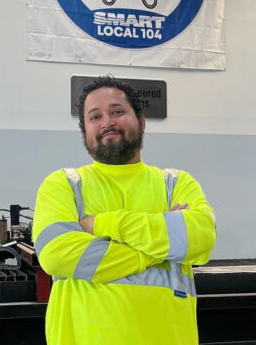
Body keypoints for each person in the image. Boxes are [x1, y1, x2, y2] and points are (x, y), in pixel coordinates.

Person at [32, 76, 216, 344]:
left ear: (140, 122)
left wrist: (101, 224)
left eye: (117, 111)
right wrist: (161, 245)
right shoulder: (65, 185)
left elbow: (201, 237)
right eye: (95, 117)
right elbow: (56, 254)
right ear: (85, 132)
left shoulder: (174, 183)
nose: (107, 122)